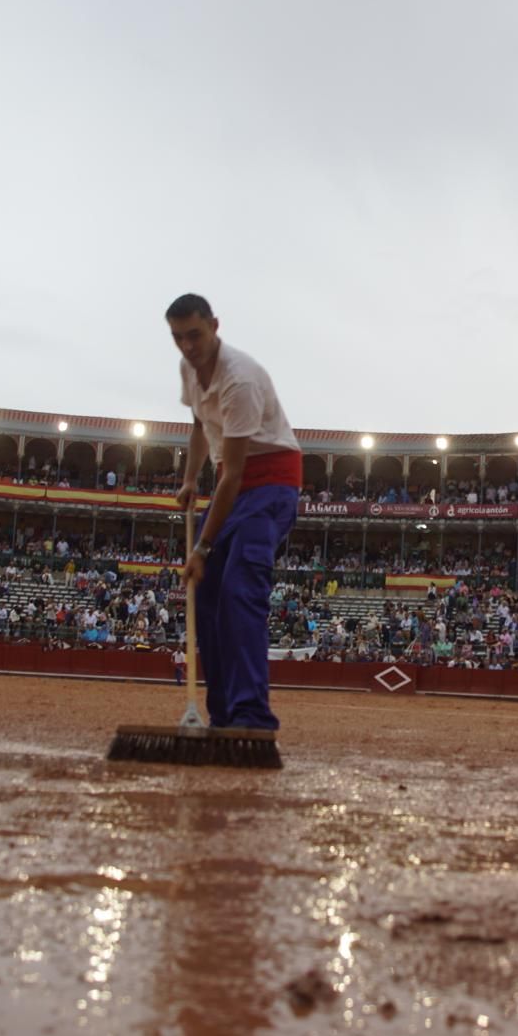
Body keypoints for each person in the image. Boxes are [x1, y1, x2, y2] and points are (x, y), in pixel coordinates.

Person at [169, 293, 301, 730]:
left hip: (269, 486)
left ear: (214, 326)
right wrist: (190, 479)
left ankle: (251, 716)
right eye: (178, 337)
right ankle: (224, 716)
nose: (187, 346)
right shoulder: (189, 370)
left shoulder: (239, 379)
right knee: (205, 596)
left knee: (239, 588)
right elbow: (199, 426)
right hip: (235, 483)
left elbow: (234, 475)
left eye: (194, 334)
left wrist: (202, 548)